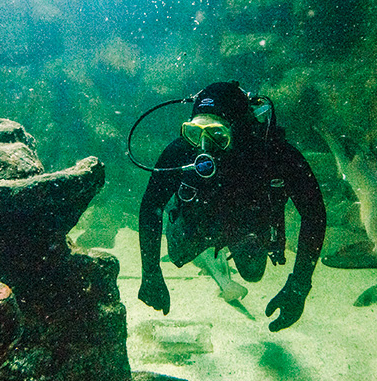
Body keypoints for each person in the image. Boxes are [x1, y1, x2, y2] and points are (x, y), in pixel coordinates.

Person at [133, 81, 326, 332]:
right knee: (179, 253)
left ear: (241, 130)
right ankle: (208, 252)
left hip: (246, 224)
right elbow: (151, 206)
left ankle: (228, 250)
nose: (204, 148)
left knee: (253, 274)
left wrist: (299, 286)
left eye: (217, 135)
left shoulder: (275, 154)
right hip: (197, 220)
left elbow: (315, 214)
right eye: (195, 133)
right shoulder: (182, 150)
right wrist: (150, 271)